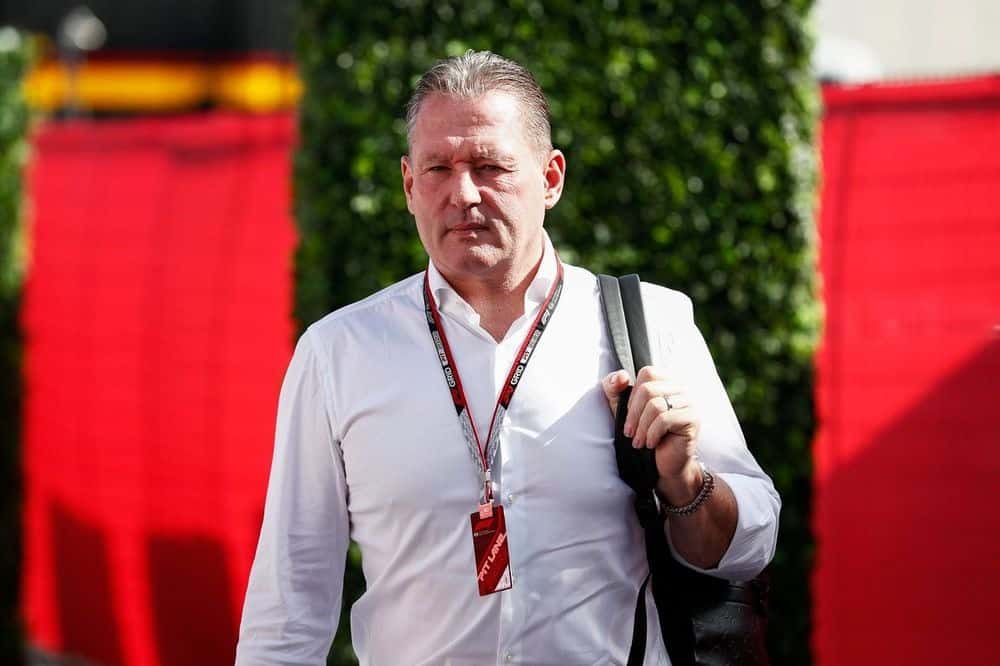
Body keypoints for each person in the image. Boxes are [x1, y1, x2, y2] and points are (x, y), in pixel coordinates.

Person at [235, 50, 779, 665]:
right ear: (409, 185)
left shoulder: (650, 325)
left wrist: (685, 483)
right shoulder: (339, 352)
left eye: (490, 166)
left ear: (551, 179)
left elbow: (751, 548)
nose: (463, 193)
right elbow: (290, 599)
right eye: (438, 168)